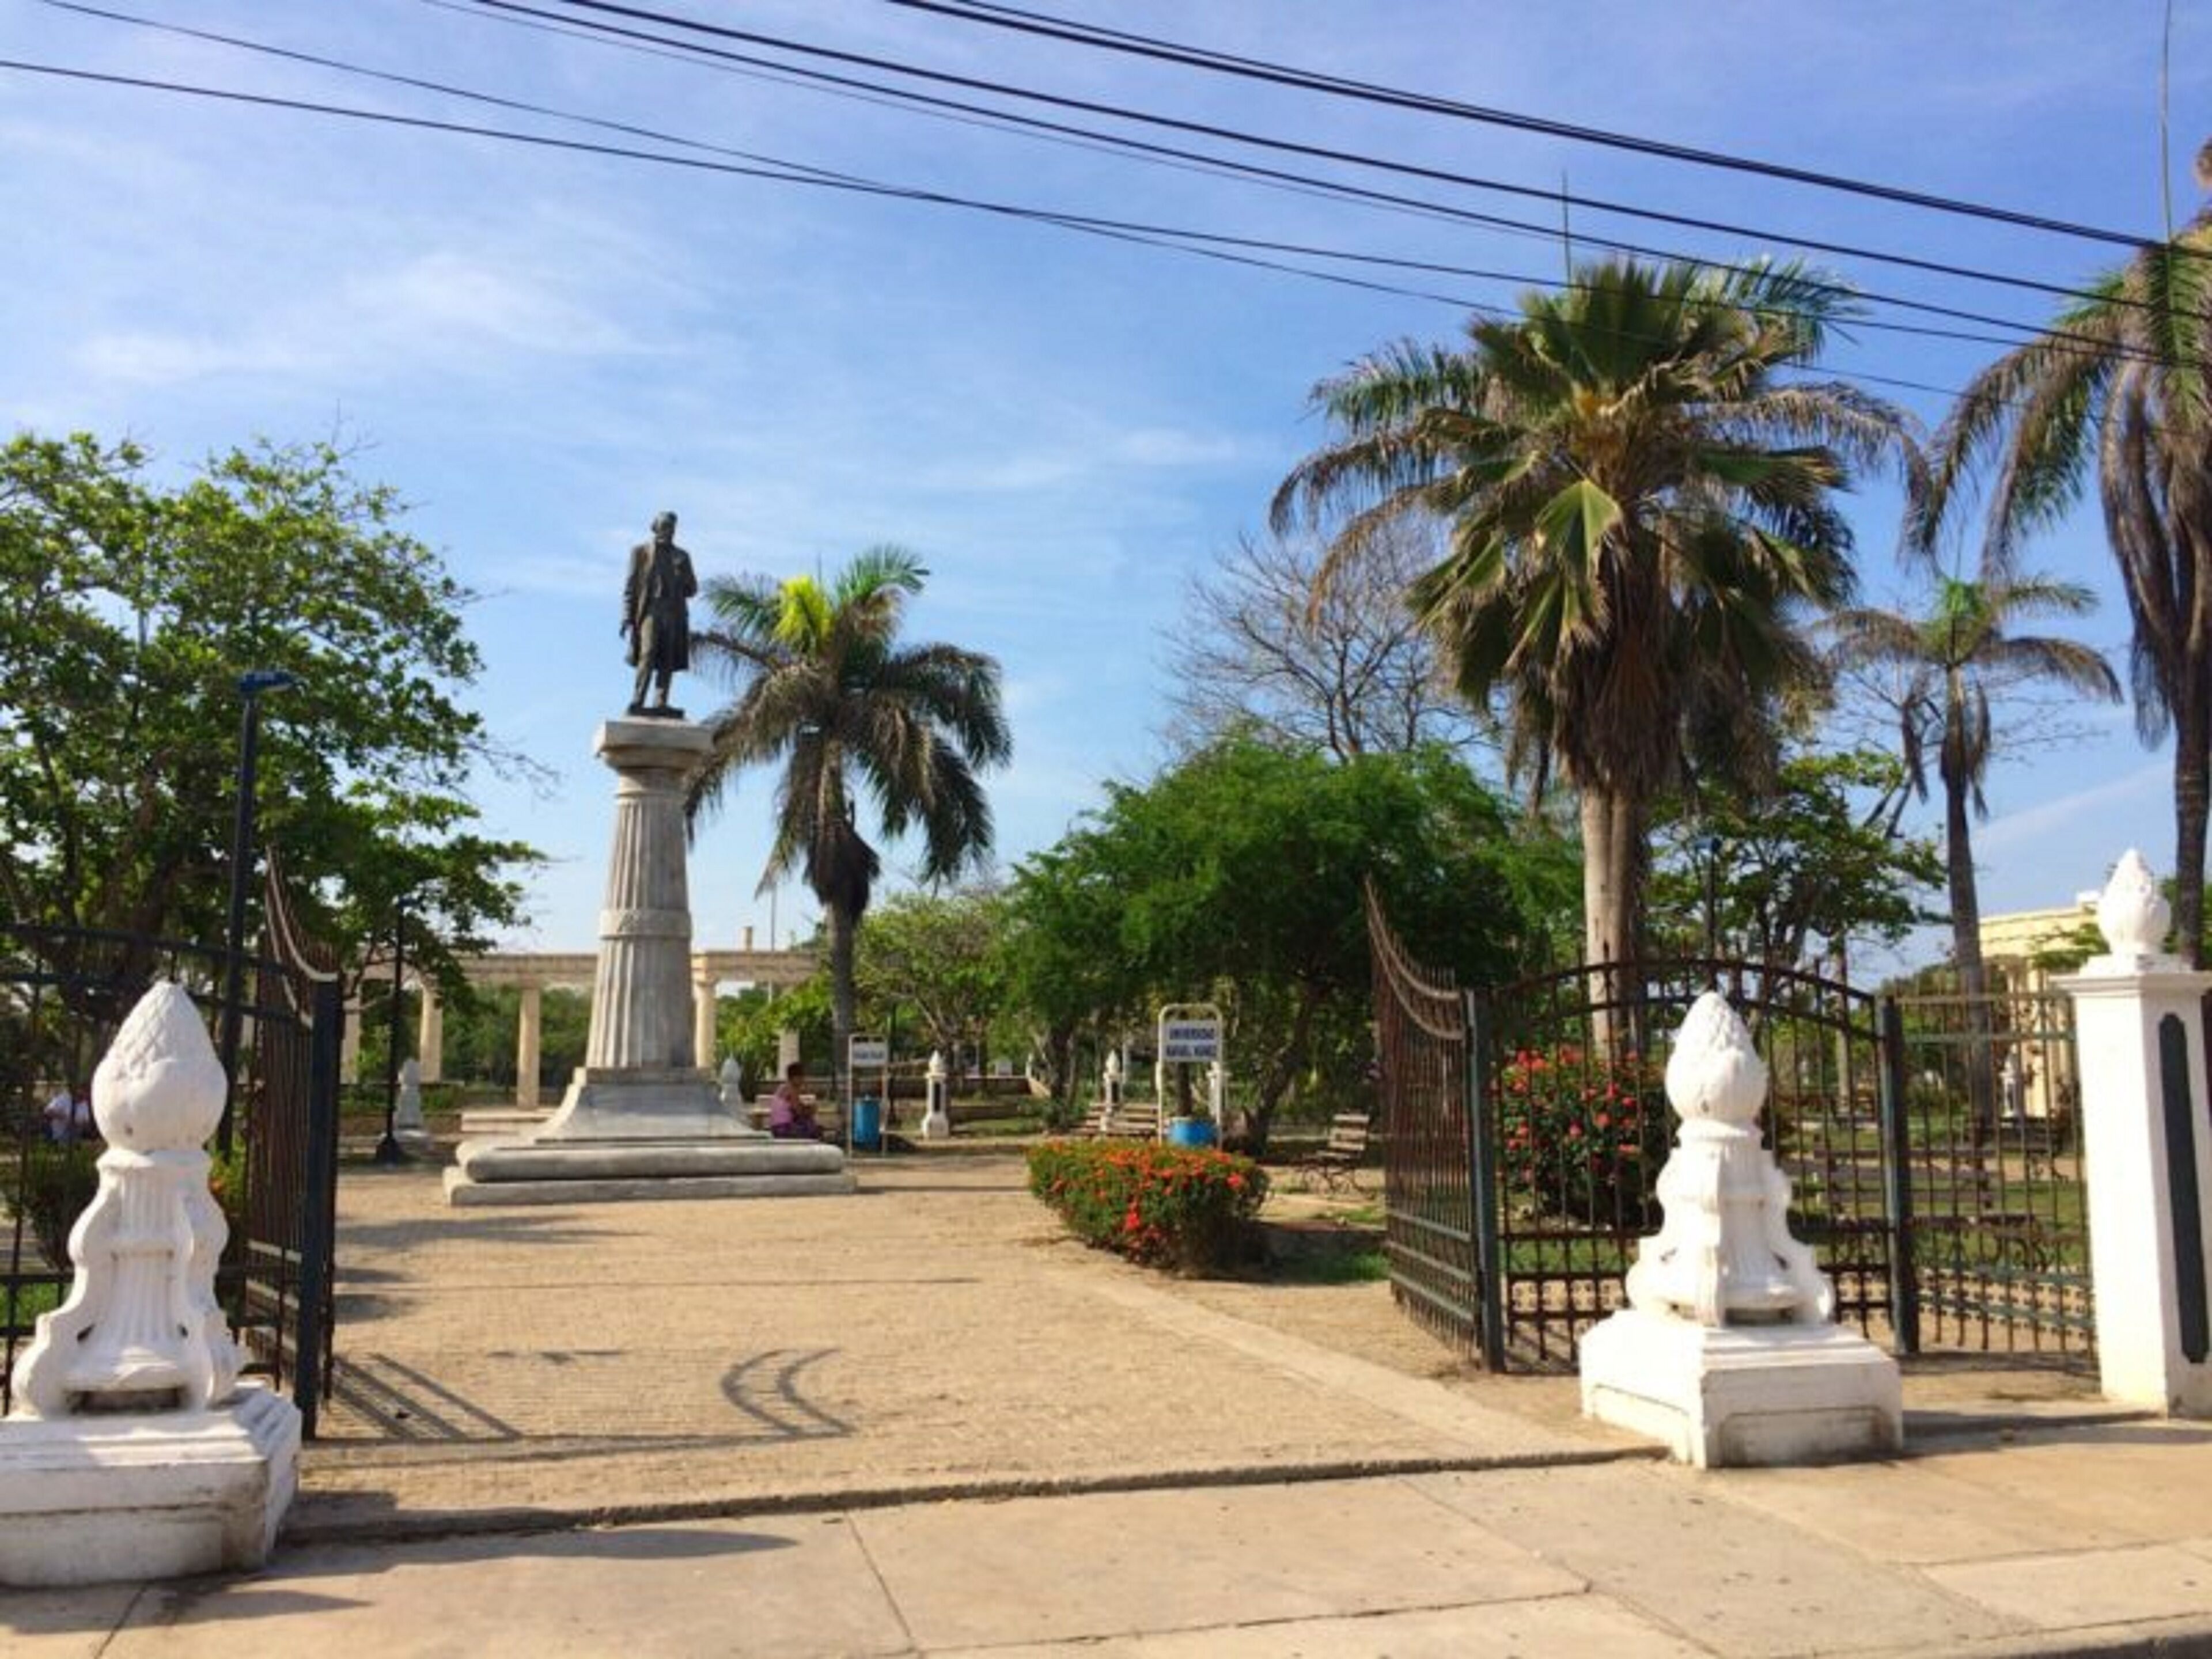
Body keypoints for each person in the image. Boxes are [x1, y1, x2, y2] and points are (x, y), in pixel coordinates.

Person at [622, 510, 697, 716]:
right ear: (655, 527)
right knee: (648, 653)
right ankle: (638, 700)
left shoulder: (682, 556)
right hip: (650, 610)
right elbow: (630, 587)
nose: (668, 531)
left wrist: (682, 575)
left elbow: (692, 589)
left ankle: (661, 702)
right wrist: (627, 617)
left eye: (672, 528)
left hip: (673, 612)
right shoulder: (640, 552)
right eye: (664, 526)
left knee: (667, 658)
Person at [767, 1061, 822, 1141]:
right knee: (814, 1129)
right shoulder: (791, 1089)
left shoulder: (784, 1087)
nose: (803, 1080)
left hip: (777, 1128)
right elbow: (799, 1112)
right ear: (794, 1078)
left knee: (811, 1125)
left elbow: (796, 1107)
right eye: (801, 1077)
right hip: (784, 1129)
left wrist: (807, 1108)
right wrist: (811, 1110)